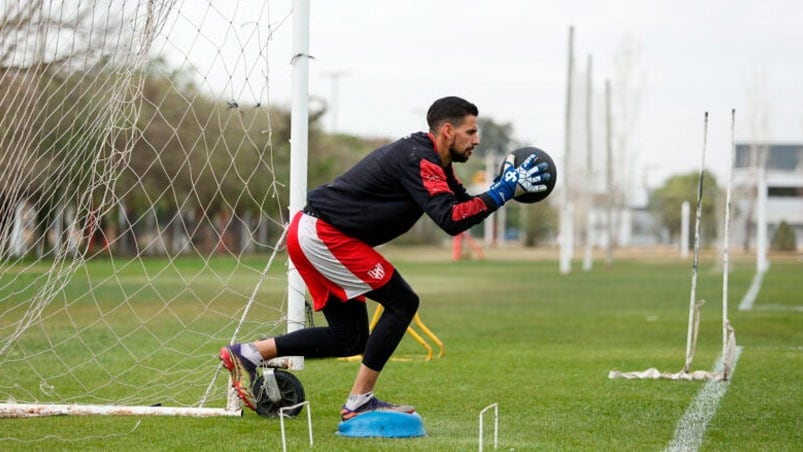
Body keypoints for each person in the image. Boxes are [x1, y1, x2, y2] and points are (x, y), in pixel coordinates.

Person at [219, 95, 551, 421]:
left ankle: (249, 353)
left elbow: (462, 205)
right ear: (447, 131)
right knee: (402, 301)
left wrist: (499, 188)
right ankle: (359, 401)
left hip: (317, 234)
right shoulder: (420, 159)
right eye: (471, 132)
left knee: (349, 338)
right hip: (325, 236)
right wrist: (504, 191)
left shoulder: (435, 162)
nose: (477, 140)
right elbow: (451, 220)